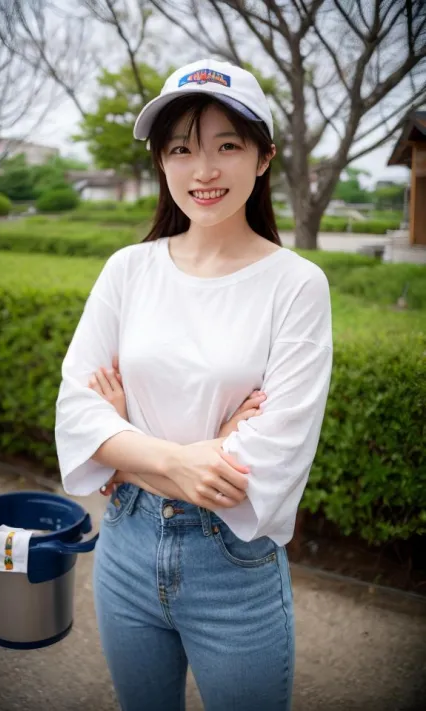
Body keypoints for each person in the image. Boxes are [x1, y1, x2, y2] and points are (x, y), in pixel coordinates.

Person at [55, 57, 333, 711]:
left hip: (231, 565)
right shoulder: (129, 269)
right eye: (180, 149)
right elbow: (74, 410)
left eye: (225, 146)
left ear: (263, 157)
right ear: (161, 161)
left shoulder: (295, 284)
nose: (202, 170)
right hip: (124, 548)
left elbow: (270, 460)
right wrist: (188, 454)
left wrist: (122, 444)